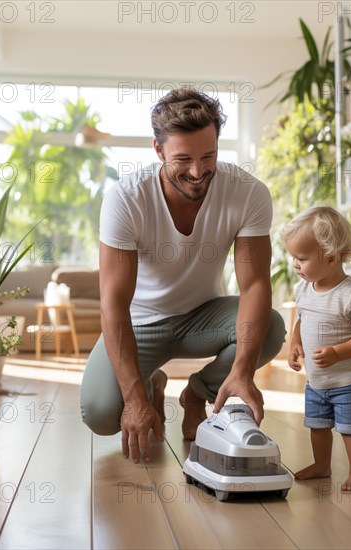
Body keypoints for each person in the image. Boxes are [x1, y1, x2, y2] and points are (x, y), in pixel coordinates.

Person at [80, 87, 285, 463]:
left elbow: (255, 284)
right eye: (183, 159)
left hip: (203, 317)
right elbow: (113, 303)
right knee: (99, 412)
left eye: (208, 156)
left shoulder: (248, 193)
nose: (197, 171)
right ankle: (152, 383)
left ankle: (196, 393)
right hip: (140, 323)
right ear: (158, 151)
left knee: (269, 328)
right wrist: (134, 400)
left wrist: (241, 372)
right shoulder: (126, 198)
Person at [283, 206, 351, 491]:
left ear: (332, 256)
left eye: (301, 258)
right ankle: (322, 465)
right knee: (318, 426)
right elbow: (302, 318)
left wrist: (337, 353)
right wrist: (295, 343)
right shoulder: (305, 289)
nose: (295, 265)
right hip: (317, 381)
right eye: (293, 258)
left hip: (350, 381)